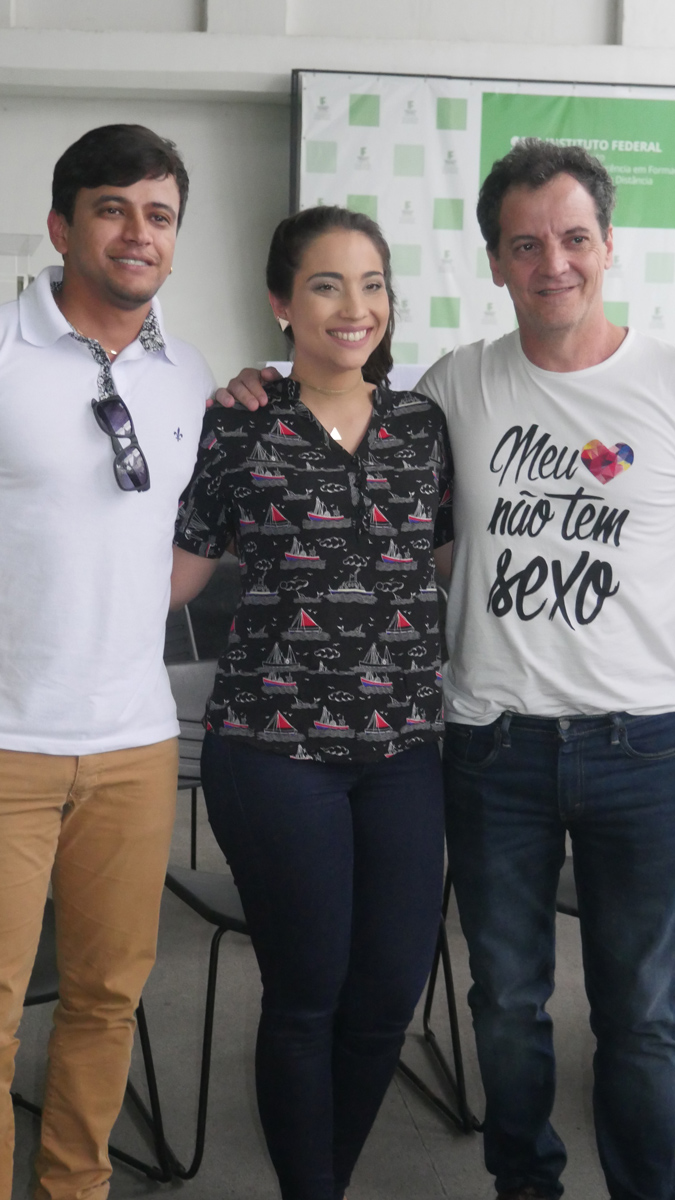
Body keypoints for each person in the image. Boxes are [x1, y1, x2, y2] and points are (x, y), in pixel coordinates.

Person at [221, 140, 675, 1200]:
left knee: (645, 1016)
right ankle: (524, 1185)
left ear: (609, 244)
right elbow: (349, 424)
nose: (552, 262)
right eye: (525, 245)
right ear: (495, 262)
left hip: (644, 748)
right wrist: (260, 380)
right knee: (505, 1003)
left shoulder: (665, 380)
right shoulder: (453, 389)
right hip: (489, 743)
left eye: (573, 238)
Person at [171, 204, 454, 1200]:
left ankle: (324, 1176)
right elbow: (174, 576)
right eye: (326, 284)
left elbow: (452, 566)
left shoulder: (422, 426)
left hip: (405, 750)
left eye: (371, 284)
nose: (354, 306)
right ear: (281, 302)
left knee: (387, 995)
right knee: (308, 994)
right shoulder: (237, 421)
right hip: (271, 747)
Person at [0, 123, 214, 1200]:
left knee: (106, 998)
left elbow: (168, 548)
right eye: (113, 209)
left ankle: (73, 1185)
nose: (139, 233)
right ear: (61, 226)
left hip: (135, 742)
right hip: (7, 743)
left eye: (159, 214)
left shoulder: (188, 375)